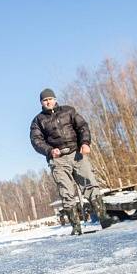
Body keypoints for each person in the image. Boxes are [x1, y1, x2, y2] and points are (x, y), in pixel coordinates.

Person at [29, 88, 112, 235]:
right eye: (45, 100)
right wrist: (49, 150)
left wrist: (85, 143)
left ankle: (103, 218)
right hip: (58, 159)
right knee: (66, 192)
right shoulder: (38, 120)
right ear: (41, 103)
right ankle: (76, 226)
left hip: (77, 154)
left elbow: (82, 126)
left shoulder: (68, 111)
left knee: (90, 184)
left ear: (55, 99)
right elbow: (36, 141)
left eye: (50, 99)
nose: (48, 102)